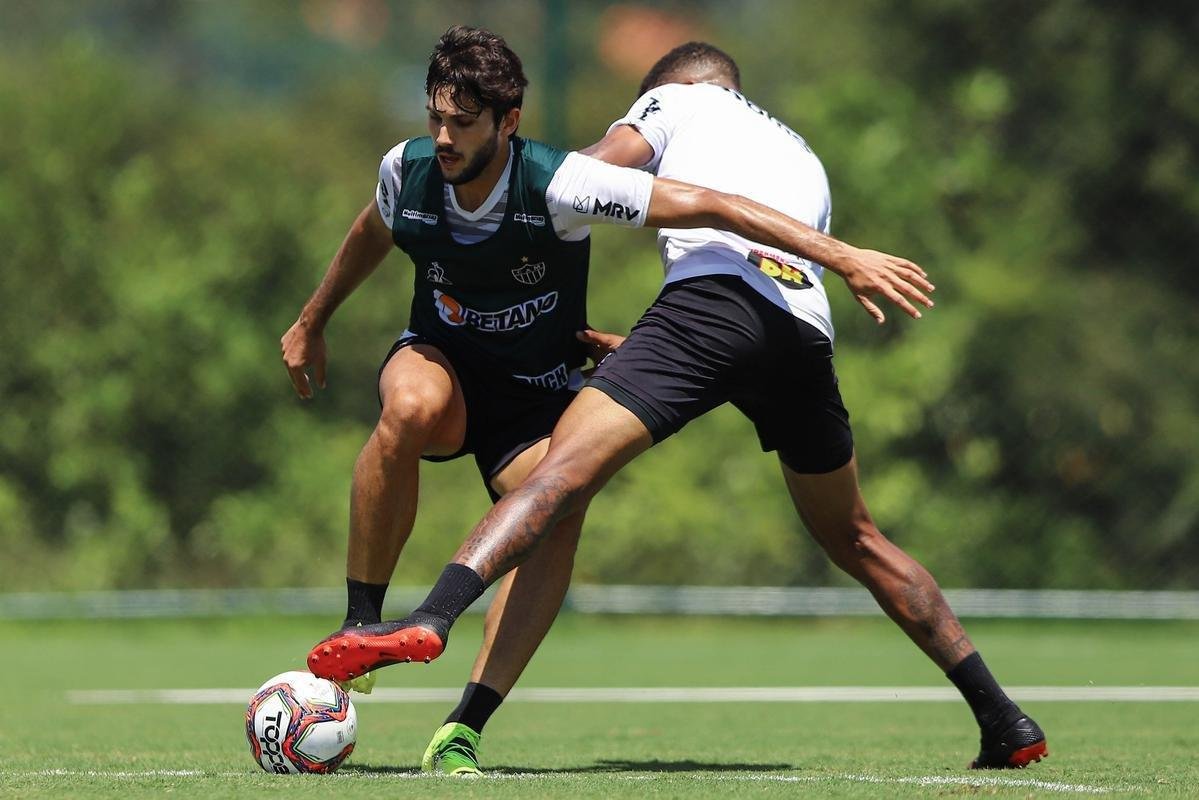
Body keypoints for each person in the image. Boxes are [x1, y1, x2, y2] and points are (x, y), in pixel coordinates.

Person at [305, 42, 1047, 773]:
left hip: (710, 309)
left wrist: (542, 192)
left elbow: (594, 174)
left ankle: (431, 618)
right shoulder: (798, 152)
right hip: (801, 331)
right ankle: (1002, 718)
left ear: (672, 86)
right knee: (856, 537)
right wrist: (837, 259)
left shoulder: (676, 99)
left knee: (557, 479)